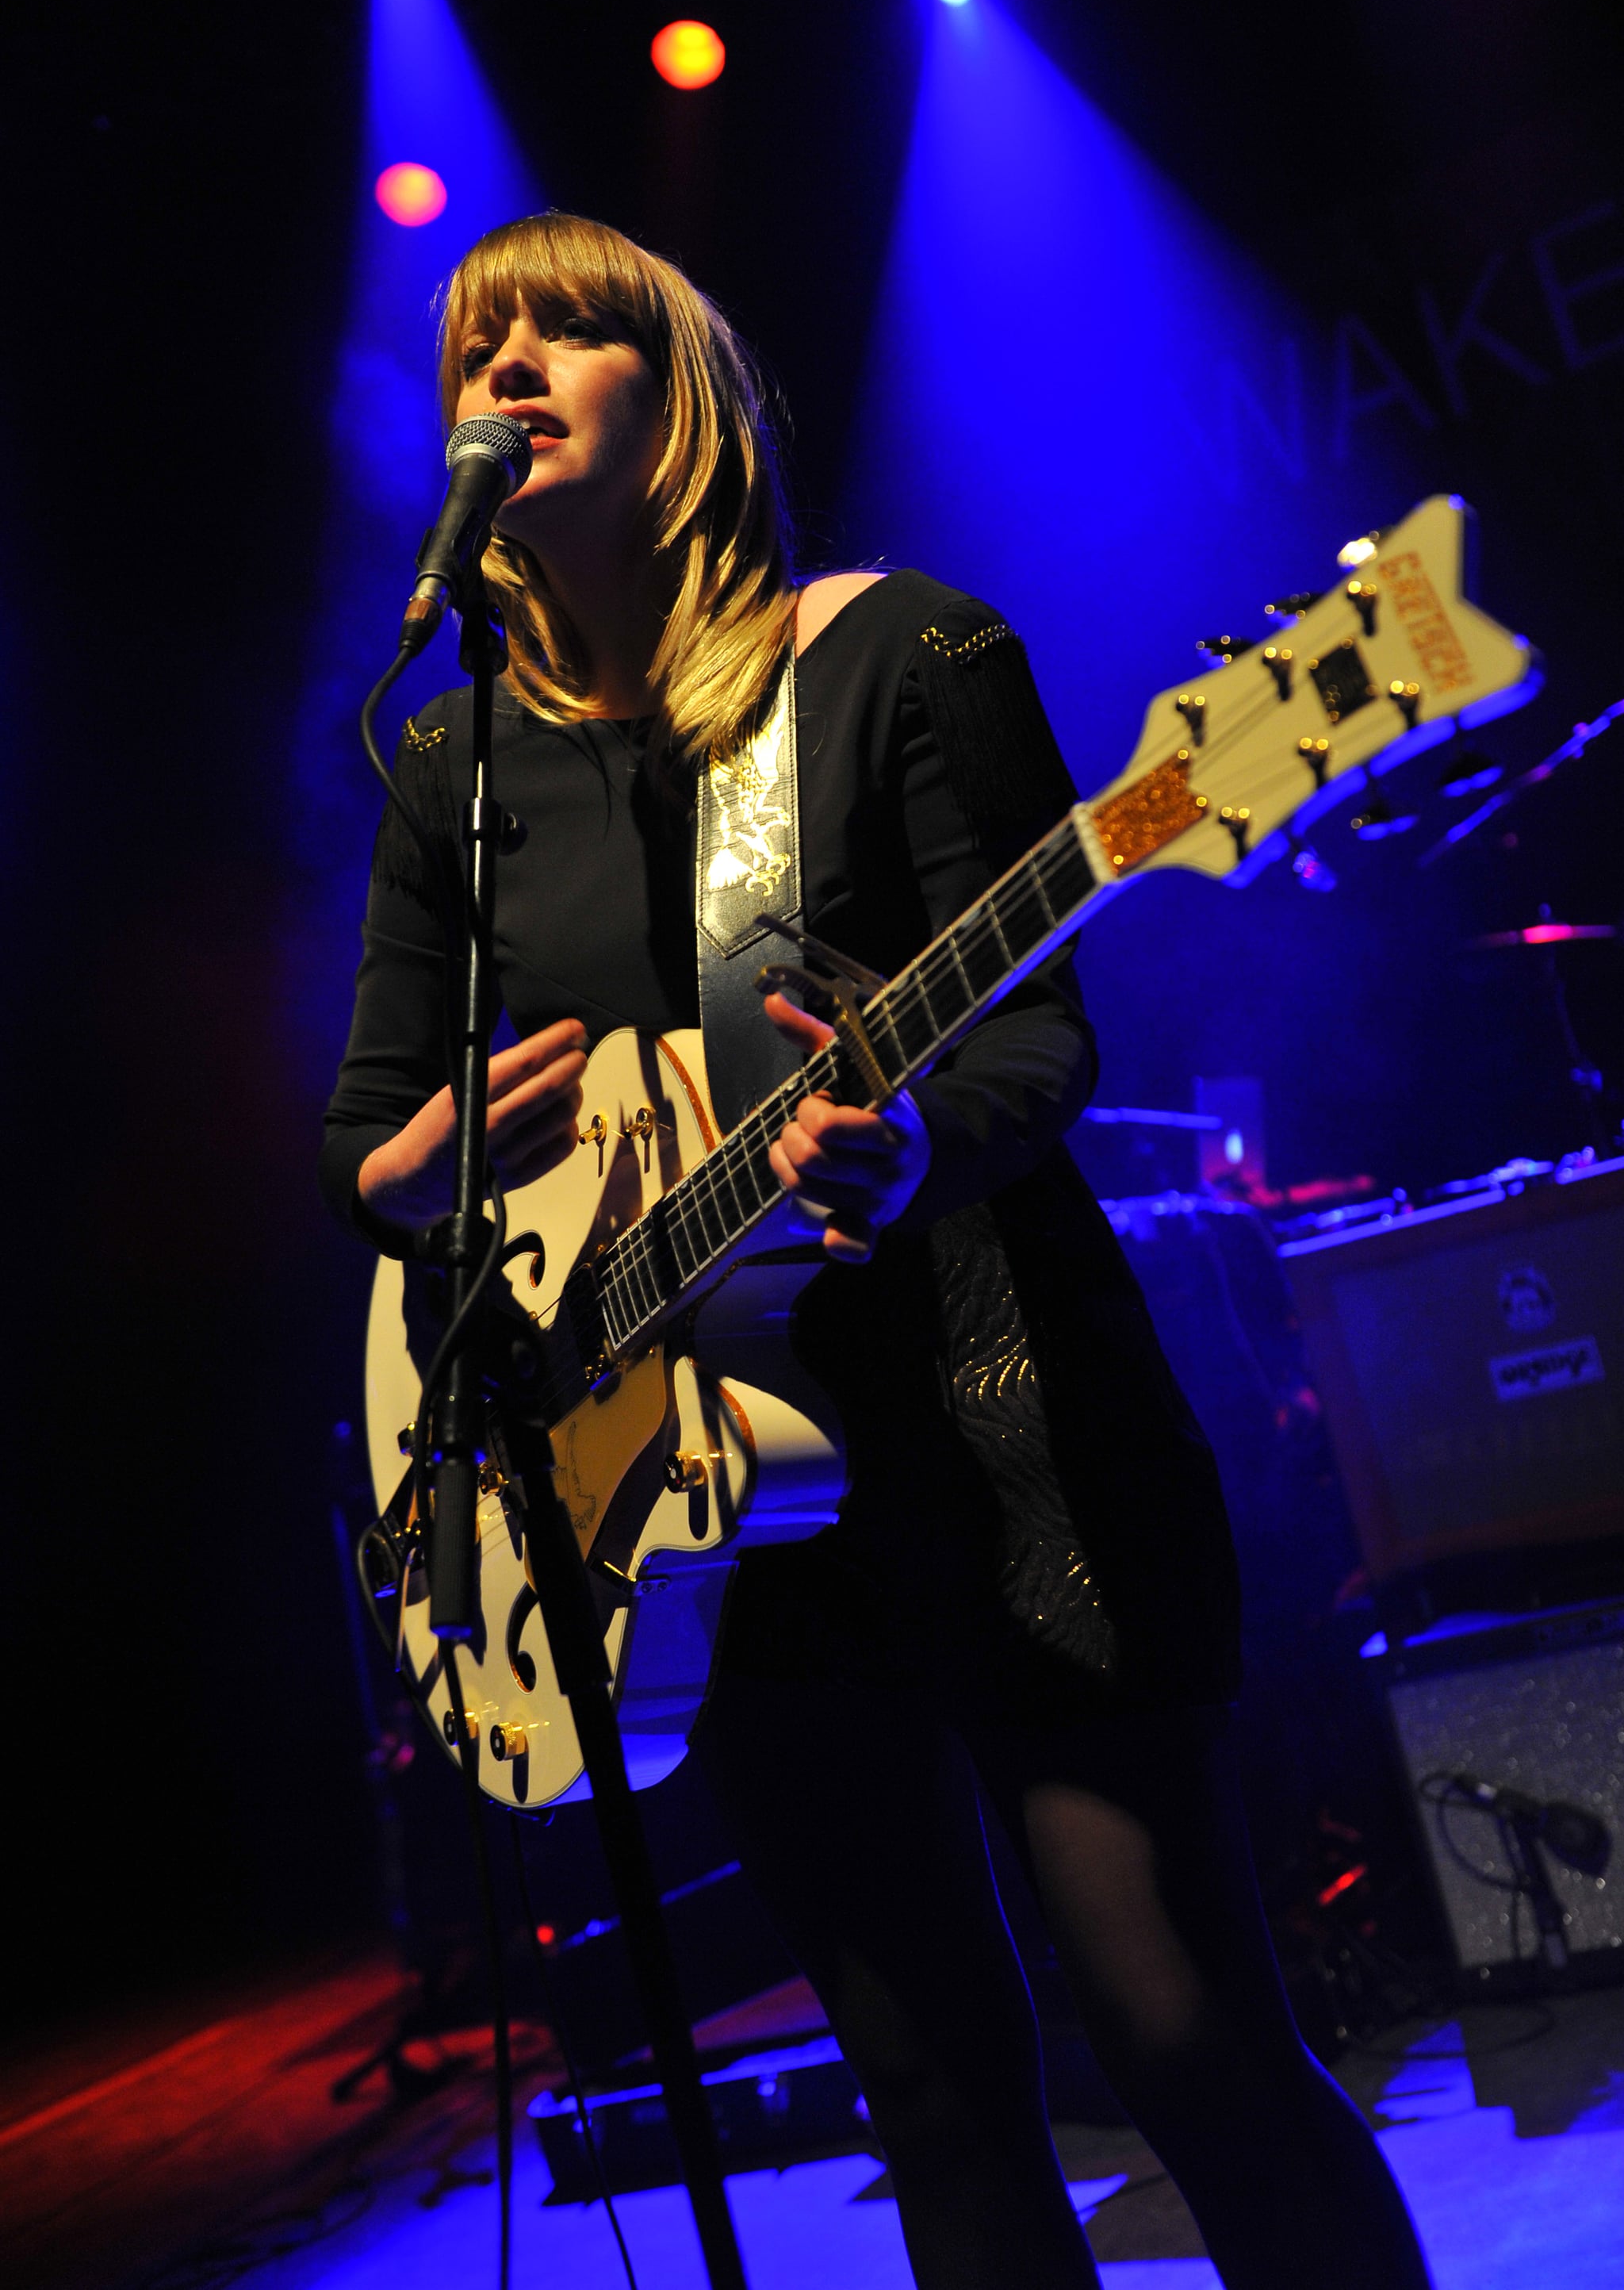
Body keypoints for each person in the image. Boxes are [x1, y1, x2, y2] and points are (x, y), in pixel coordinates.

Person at [322, 210, 1432, 2290]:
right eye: (482, 342)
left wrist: (918, 1136)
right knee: (925, 2093)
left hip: (997, 1432)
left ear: (687, 397)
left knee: (1180, 2036)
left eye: (570, 328)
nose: (511, 367)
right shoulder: (456, 769)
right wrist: (416, 1173)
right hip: (715, 1520)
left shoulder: (901, 653)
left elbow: (1038, 1032)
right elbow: (362, 1132)